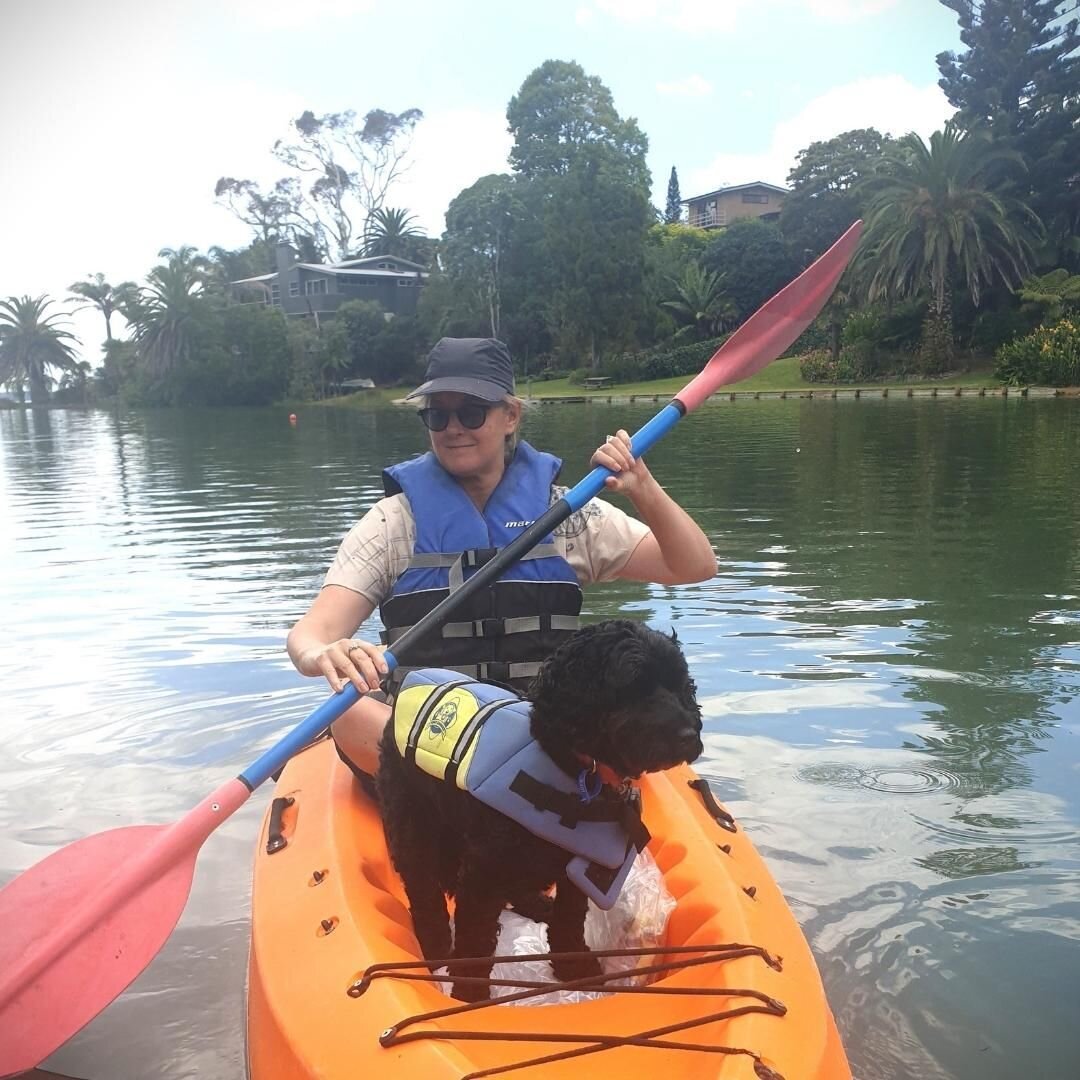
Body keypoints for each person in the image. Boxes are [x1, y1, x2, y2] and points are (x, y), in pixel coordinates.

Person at [286, 337, 717, 780]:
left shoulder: (568, 514)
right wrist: (326, 653)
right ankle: (502, 787)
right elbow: (310, 635)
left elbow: (694, 566)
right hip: (432, 739)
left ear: (510, 416)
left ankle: (507, 786)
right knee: (349, 715)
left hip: (543, 732)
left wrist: (643, 488)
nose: (453, 428)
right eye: (438, 414)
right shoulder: (393, 524)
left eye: (471, 412)